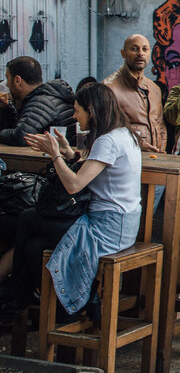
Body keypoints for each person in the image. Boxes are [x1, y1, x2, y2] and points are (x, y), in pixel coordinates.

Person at [15, 84, 143, 317]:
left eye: (77, 110)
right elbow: (96, 172)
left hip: (104, 228)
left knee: (25, 218)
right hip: (122, 225)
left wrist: (54, 155)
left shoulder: (108, 140)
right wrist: (70, 155)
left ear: (91, 110)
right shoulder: (124, 134)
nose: (74, 116)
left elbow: (74, 185)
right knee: (34, 247)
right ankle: (63, 306)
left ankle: (20, 298)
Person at [103, 34, 167, 153]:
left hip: (155, 159)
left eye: (145, 49)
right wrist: (138, 144)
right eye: (134, 49)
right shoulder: (108, 88)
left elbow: (160, 125)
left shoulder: (154, 88)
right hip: (125, 158)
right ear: (123, 53)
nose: (140, 53)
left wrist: (161, 152)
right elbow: (106, 129)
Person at [0, 56, 76, 146]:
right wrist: (7, 107)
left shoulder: (41, 102)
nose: (7, 85)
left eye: (8, 79)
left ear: (17, 80)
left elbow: (21, 137)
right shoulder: (45, 97)